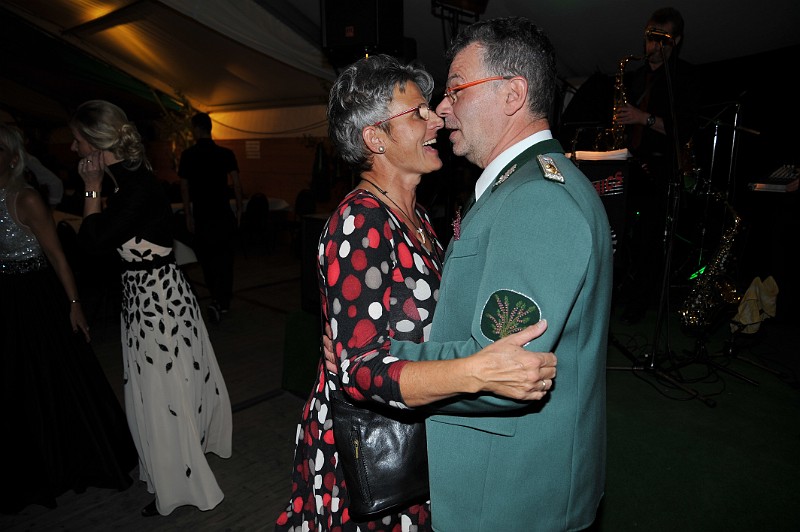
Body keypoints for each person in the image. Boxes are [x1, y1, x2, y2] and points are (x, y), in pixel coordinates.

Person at [275, 54, 558, 531]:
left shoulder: (417, 216)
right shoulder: (360, 221)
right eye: (418, 113)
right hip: (371, 453)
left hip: (410, 434)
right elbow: (360, 370)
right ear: (375, 138)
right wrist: (478, 372)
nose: (436, 119)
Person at [357, 17, 613, 531]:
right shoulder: (523, 187)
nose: (441, 108)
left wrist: (374, 359)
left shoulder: (536, 201)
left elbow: (500, 373)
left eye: (456, 90)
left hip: (510, 493)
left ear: (513, 94)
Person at [71, 100, 233, 517]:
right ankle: (169, 467)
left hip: (158, 302)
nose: (73, 148)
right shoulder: (128, 180)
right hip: (147, 299)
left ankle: (179, 484)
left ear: (97, 143)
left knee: (163, 394)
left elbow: (92, 243)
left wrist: (90, 187)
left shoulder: (135, 186)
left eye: (78, 140)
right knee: (160, 390)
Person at [0, 123, 137, 514]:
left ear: (13, 157)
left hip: (34, 293)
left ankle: (74, 457)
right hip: (6, 294)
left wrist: (74, 304)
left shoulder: (26, 198)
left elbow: (58, 255)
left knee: (49, 375)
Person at [614, 6, 700, 323]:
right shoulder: (635, 76)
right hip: (629, 162)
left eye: (662, 40)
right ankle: (618, 292)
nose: (653, 46)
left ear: (676, 41)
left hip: (662, 167)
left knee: (650, 238)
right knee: (618, 234)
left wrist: (643, 118)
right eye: (651, 38)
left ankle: (640, 302)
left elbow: (685, 128)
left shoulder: (685, 77)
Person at [178, 112, 243, 323]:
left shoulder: (188, 155)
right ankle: (223, 300)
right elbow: (236, 183)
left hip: (203, 215)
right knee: (225, 259)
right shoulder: (225, 154)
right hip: (223, 214)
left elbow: (184, 187)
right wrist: (239, 208)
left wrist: (188, 215)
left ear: (197, 130)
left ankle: (216, 297)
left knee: (207, 260)